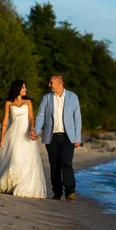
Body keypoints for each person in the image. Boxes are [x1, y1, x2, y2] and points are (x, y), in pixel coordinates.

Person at [0, 80, 47, 198]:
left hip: (26, 134)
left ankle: (23, 186)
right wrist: (2, 137)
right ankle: (11, 184)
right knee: (15, 158)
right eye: (23, 87)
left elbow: (31, 118)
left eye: (25, 87)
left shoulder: (28, 102)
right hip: (14, 134)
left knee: (27, 159)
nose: (26, 89)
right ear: (17, 88)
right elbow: (5, 121)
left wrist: (32, 129)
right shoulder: (9, 103)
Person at [32, 74, 81, 202]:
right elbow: (40, 116)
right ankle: (57, 193)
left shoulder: (73, 97)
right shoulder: (46, 98)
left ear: (59, 83)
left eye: (51, 83)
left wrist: (77, 138)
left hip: (68, 137)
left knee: (66, 163)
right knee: (54, 166)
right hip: (51, 136)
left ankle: (70, 192)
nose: (49, 85)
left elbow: (77, 118)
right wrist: (36, 131)